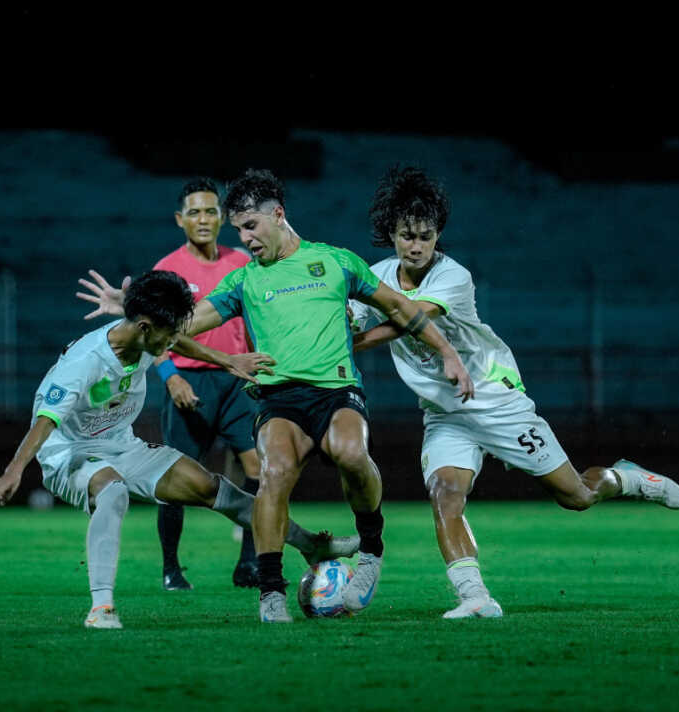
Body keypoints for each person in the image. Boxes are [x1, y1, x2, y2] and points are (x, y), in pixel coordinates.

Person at [77, 169, 473, 623]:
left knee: (350, 451)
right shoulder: (244, 282)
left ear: (278, 216)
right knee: (274, 473)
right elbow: (184, 324)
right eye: (239, 230)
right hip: (278, 399)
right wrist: (135, 313)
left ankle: (371, 549)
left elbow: (401, 308)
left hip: (336, 391)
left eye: (250, 226)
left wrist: (449, 355)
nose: (244, 238)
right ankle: (270, 591)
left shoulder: (336, 262)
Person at [348, 165, 679, 619]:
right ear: (392, 233)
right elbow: (352, 314)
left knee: (576, 498)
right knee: (445, 493)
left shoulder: (454, 276)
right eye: (407, 234)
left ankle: (624, 477)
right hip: (445, 413)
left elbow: (410, 317)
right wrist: (343, 325)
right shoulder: (379, 274)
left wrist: (357, 340)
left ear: (438, 235)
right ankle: (474, 597)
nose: (415, 245)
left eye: (425, 236)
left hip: (496, 401)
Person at [0, 270, 358, 629]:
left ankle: (308, 544)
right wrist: (14, 470)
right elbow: (46, 420)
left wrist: (228, 360)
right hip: (68, 452)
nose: (172, 343)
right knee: (113, 490)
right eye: (167, 334)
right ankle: (101, 607)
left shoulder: (146, 338)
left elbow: (180, 340)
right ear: (145, 327)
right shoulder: (84, 362)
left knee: (212, 489)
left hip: (121, 446)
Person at [151, 178, 263, 591]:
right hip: (189, 385)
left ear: (222, 218)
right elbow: (152, 334)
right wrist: (171, 376)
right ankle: (171, 569)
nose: (203, 219)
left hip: (235, 384)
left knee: (259, 468)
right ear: (181, 219)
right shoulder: (168, 270)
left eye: (211, 211)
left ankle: (248, 563)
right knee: (175, 482)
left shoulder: (242, 262)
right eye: (194, 211)